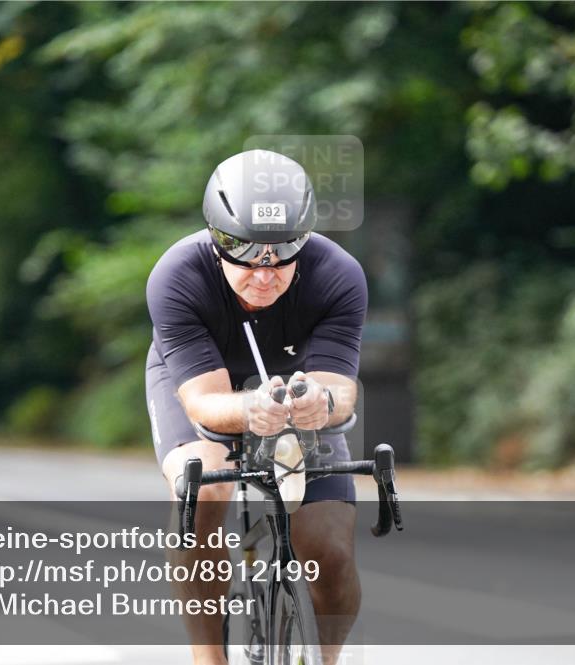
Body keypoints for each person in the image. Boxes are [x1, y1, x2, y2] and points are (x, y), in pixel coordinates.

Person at [145, 149, 367, 665]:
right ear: (216, 238)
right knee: (200, 488)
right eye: (243, 251)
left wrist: (320, 402)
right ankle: (209, 658)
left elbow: (339, 391)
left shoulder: (338, 274)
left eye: (284, 252)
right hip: (202, 383)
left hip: (295, 389)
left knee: (331, 553)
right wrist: (248, 411)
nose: (264, 275)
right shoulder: (177, 274)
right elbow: (203, 402)